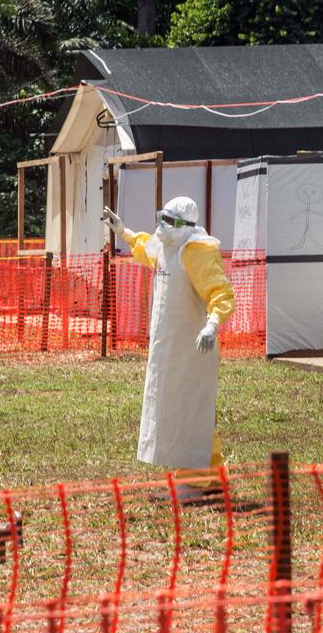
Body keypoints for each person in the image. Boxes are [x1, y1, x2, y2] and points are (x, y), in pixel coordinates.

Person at [103, 197, 234, 499]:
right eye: (163, 217)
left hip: (192, 348)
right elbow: (146, 247)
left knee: (190, 407)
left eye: (171, 221)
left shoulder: (197, 252)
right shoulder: (167, 246)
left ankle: (195, 482)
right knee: (178, 408)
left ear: (186, 226)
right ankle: (212, 476)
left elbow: (220, 291)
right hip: (168, 347)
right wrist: (123, 231)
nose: (163, 226)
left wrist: (212, 324)